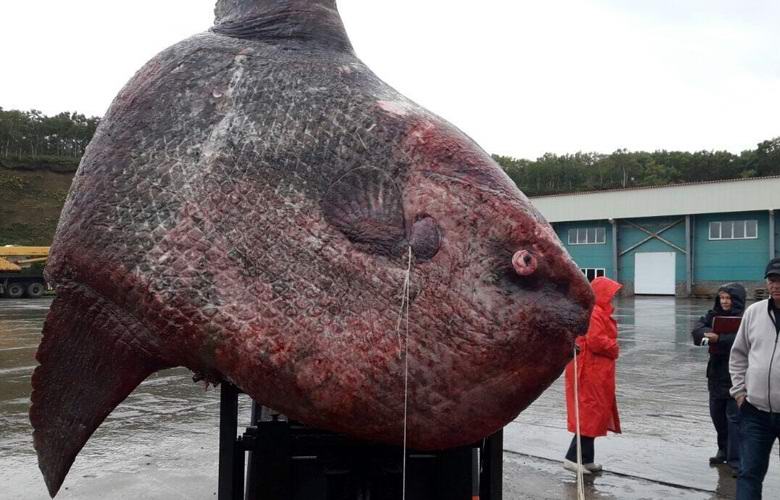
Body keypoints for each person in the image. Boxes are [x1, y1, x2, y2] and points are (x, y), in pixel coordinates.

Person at [730, 258, 780, 499]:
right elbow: (738, 354)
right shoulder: (754, 312)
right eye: (772, 280)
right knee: (749, 473)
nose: (776, 285)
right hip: (755, 412)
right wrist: (739, 393)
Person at [563, 276, 622, 474]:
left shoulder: (599, 312)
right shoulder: (594, 313)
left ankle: (586, 459)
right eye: (611, 294)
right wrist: (614, 347)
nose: (613, 299)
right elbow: (597, 341)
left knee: (594, 414)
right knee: (589, 414)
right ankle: (573, 458)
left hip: (596, 371)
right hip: (589, 371)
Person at [691, 282, 746, 471]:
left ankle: (735, 459)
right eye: (722, 297)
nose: (724, 301)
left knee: (734, 419)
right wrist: (706, 335)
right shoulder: (712, 315)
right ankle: (723, 450)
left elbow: (745, 339)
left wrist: (720, 339)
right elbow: (697, 330)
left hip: (736, 375)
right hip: (715, 374)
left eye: (728, 298)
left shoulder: (746, 317)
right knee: (717, 416)